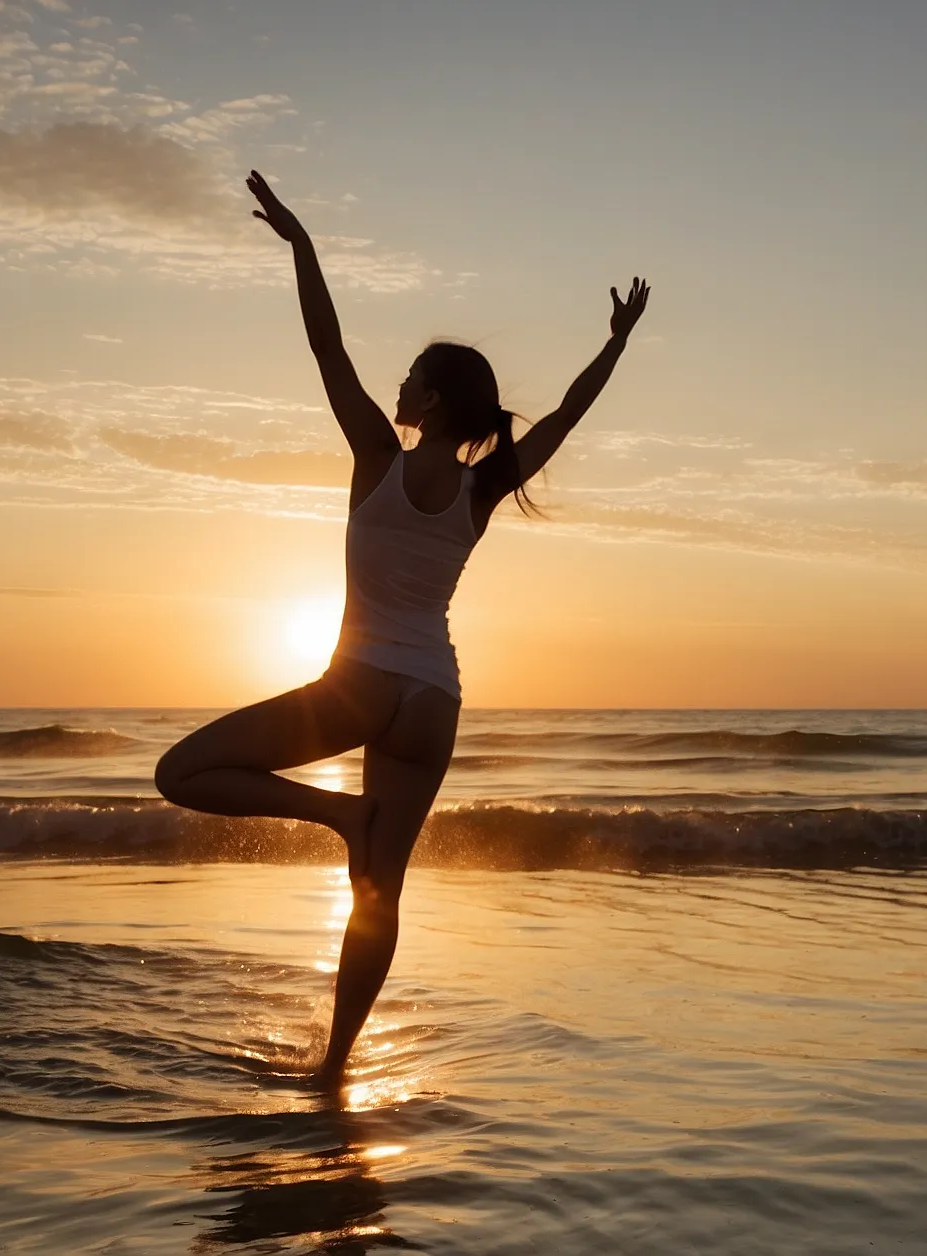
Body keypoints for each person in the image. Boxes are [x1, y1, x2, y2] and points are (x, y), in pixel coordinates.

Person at [155, 171, 650, 1084]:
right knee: (380, 893)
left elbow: (324, 345)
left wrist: (303, 245)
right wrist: (616, 342)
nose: (399, 379)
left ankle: (335, 813)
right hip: (437, 698)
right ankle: (336, 1067)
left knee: (178, 772)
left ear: (434, 400)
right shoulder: (483, 485)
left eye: (414, 374)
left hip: (361, 686)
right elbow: (571, 414)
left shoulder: (376, 456)